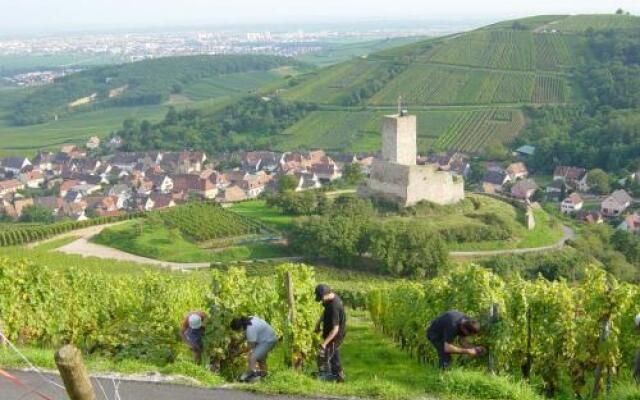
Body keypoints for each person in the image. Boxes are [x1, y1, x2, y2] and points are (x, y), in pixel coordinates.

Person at [314, 284, 346, 383]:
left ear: (326, 294)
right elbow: (325, 312)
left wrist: (324, 343)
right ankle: (334, 375)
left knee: (330, 355)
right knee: (332, 354)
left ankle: (338, 377)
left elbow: (335, 329)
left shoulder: (334, 306)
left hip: (335, 335)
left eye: (321, 298)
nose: (321, 301)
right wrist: (319, 322)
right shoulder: (330, 299)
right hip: (331, 333)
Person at [230, 316, 278, 382]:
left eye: (237, 331)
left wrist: (237, 353)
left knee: (252, 358)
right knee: (261, 359)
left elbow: (250, 346)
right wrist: (238, 343)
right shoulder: (248, 320)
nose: (238, 332)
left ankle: (251, 378)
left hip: (268, 341)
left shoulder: (250, 329)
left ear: (240, 327)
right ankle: (265, 379)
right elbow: (246, 335)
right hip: (266, 338)